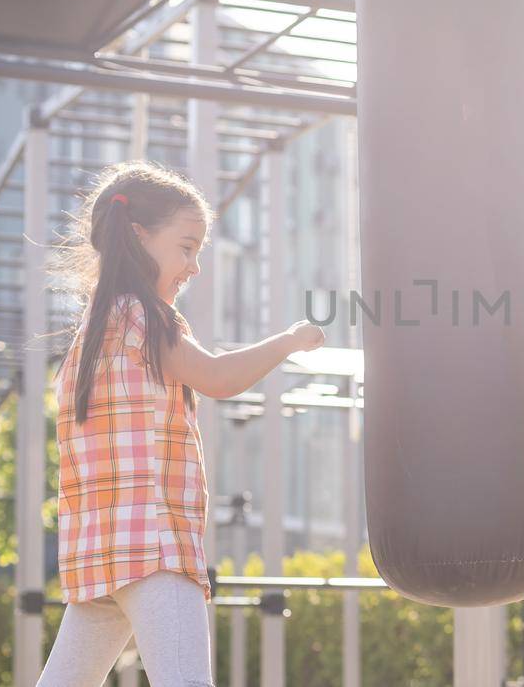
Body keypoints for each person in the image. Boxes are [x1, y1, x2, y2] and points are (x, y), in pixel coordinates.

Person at [37, 162, 324, 686]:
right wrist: (288, 341)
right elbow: (215, 377)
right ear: (139, 237)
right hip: (154, 544)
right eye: (187, 247)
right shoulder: (146, 318)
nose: (193, 267)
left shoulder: (92, 333)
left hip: (99, 549)